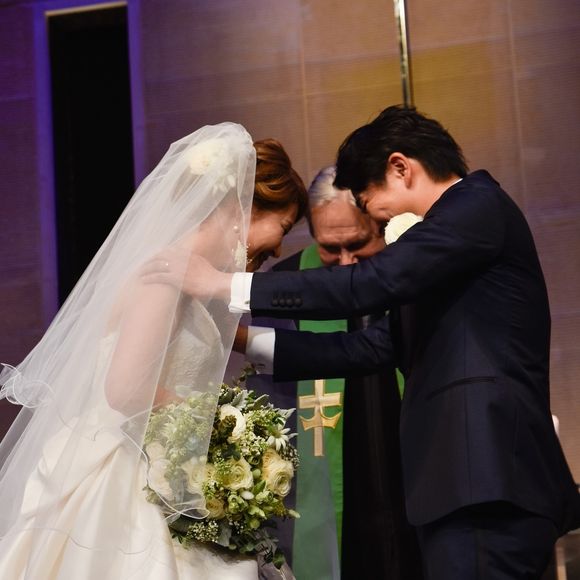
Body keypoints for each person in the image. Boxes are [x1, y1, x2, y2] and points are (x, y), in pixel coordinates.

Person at [148, 106, 580, 579]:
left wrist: (224, 285)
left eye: (367, 197)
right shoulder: (454, 238)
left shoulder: (477, 206)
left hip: (488, 478)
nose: (374, 215)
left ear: (400, 167)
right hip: (465, 485)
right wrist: (243, 338)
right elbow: (370, 347)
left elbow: (370, 283)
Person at [0, 123, 307, 579]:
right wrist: (221, 428)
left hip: (156, 461)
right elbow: (126, 390)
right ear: (239, 207)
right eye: (281, 226)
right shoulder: (167, 273)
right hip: (125, 472)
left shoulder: (192, 277)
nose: (279, 246)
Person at [246, 165, 421, 579]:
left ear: (379, 225)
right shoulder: (286, 286)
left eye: (358, 244)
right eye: (329, 248)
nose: (345, 264)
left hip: (402, 473)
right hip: (321, 486)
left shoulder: (411, 278)